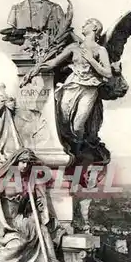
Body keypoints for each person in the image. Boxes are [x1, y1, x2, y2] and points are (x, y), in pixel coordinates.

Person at [40, 18, 112, 162]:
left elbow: (108, 73)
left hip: (89, 89)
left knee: (79, 124)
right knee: (63, 119)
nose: (83, 25)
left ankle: (76, 153)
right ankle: (69, 149)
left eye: (87, 23)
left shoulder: (100, 50)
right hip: (71, 85)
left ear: (95, 28)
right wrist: (35, 68)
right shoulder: (74, 47)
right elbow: (53, 63)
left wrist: (92, 60)